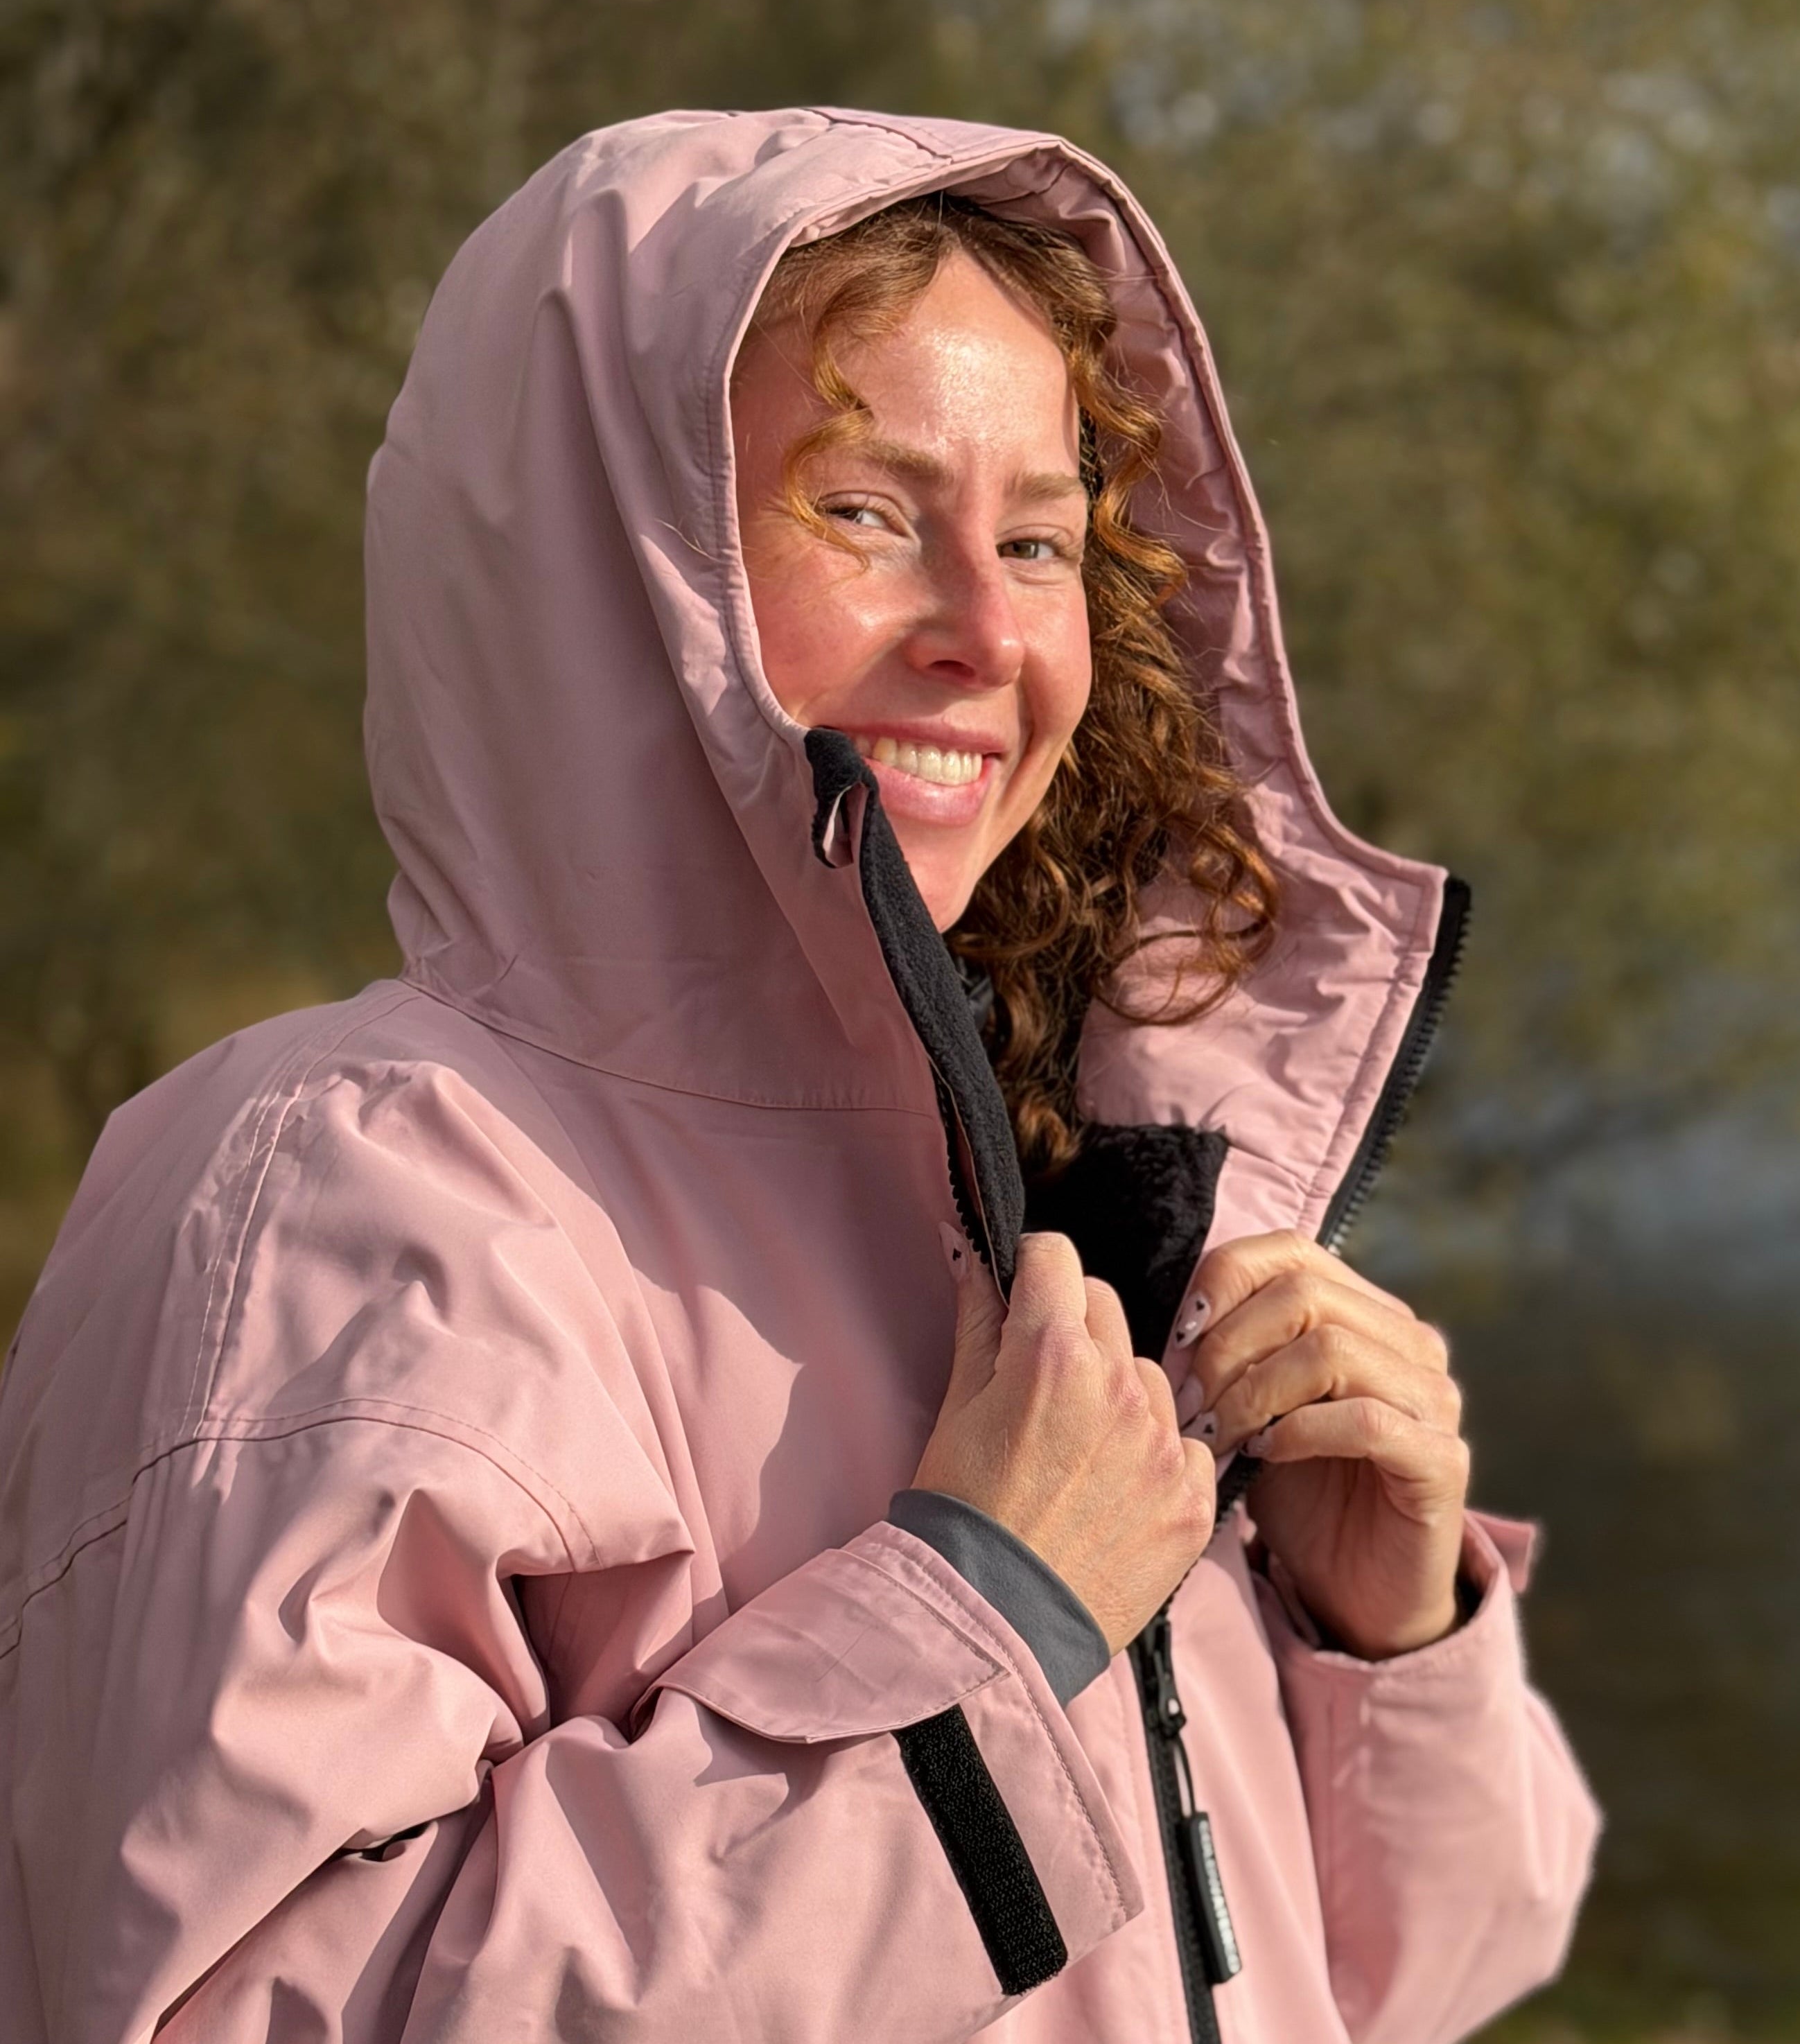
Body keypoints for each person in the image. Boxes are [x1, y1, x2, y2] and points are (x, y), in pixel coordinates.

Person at [0, 109, 1598, 2043]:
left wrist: (1377, 1633)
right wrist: (981, 1619)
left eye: (1037, 538)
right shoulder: (339, 1199)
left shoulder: (1048, 1196)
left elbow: (1393, 1987)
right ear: (614, 568)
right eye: (865, 510)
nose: (991, 634)